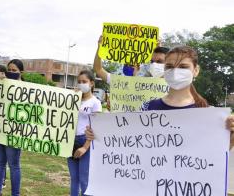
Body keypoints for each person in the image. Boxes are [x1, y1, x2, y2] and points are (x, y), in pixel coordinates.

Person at [86, 46, 234, 148]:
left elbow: (214, 156)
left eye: (183, 67)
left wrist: (231, 137)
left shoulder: (207, 113)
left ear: (196, 70)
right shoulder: (147, 107)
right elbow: (129, 142)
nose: (176, 72)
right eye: (170, 66)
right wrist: (98, 133)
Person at [0, 59, 24, 196]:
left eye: (14, 70)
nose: (11, 72)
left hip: (14, 133)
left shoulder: (26, 88)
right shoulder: (0, 84)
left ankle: (15, 194)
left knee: (14, 165)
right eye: (9, 69)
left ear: (21, 72)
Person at [68, 70, 102, 196]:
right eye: (79, 82)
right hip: (71, 140)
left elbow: (96, 128)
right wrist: (72, 98)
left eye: (84, 82)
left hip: (85, 141)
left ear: (91, 83)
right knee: (74, 178)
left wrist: (85, 147)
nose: (81, 84)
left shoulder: (95, 102)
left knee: (84, 179)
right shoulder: (74, 99)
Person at [93, 36, 170, 85]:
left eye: (159, 62)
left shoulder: (173, 84)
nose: (131, 66)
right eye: (128, 64)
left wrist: (156, 48)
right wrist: (100, 48)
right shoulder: (122, 83)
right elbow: (98, 69)